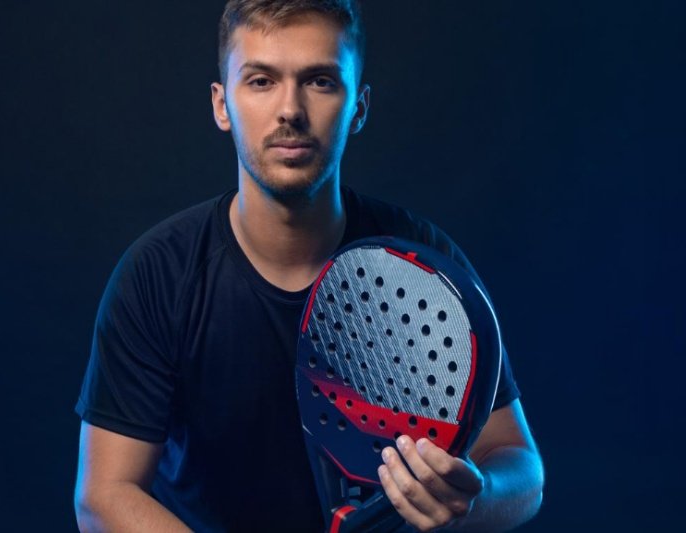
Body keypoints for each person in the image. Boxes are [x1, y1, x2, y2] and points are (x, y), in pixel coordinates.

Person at [74, 1, 544, 531]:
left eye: (319, 81)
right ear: (221, 103)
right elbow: (104, 495)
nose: (290, 110)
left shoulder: (421, 264)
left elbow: (521, 469)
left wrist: (469, 503)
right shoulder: (159, 275)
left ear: (359, 107)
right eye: (260, 81)